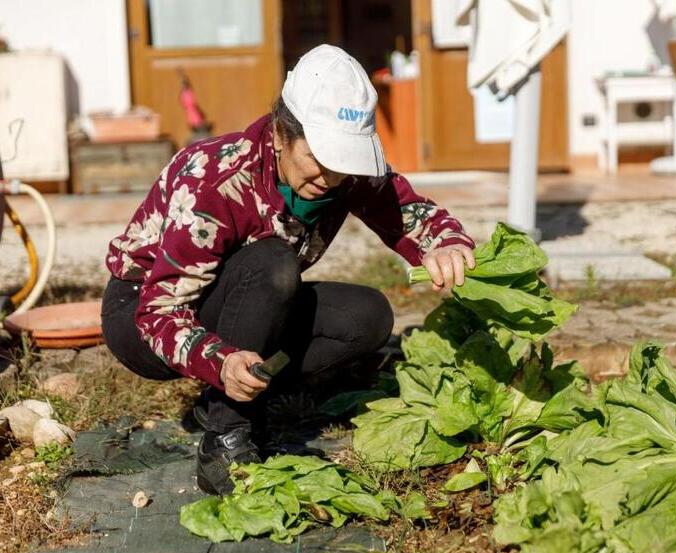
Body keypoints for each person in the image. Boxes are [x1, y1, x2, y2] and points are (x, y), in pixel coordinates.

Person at [101, 44, 476, 495]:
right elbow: (159, 311)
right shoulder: (217, 180)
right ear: (280, 134)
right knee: (273, 263)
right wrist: (217, 360)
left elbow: (410, 213)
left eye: (343, 163)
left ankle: (224, 396)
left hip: (244, 302)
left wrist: (445, 245)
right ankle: (227, 435)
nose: (330, 178)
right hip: (144, 313)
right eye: (318, 159)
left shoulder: (342, 173)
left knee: (367, 317)